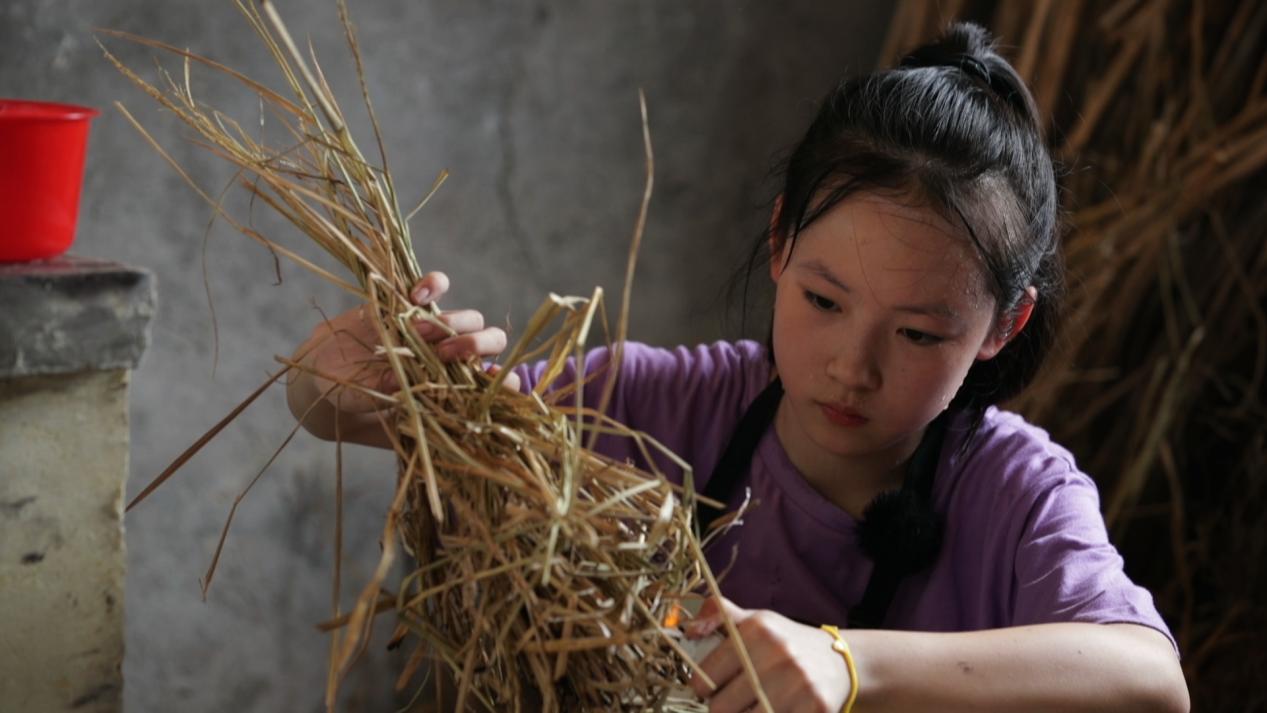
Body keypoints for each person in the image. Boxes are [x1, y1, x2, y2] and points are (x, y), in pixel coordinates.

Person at [286, 22, 1189, 713]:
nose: (851, 365)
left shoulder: (1013, 489)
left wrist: (845, 664)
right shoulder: (661, 403)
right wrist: (336, 384)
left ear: (1001, 327)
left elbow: (1151, 682)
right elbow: (407, 424)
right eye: (824, 302)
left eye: (917, 334)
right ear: (779, 243)